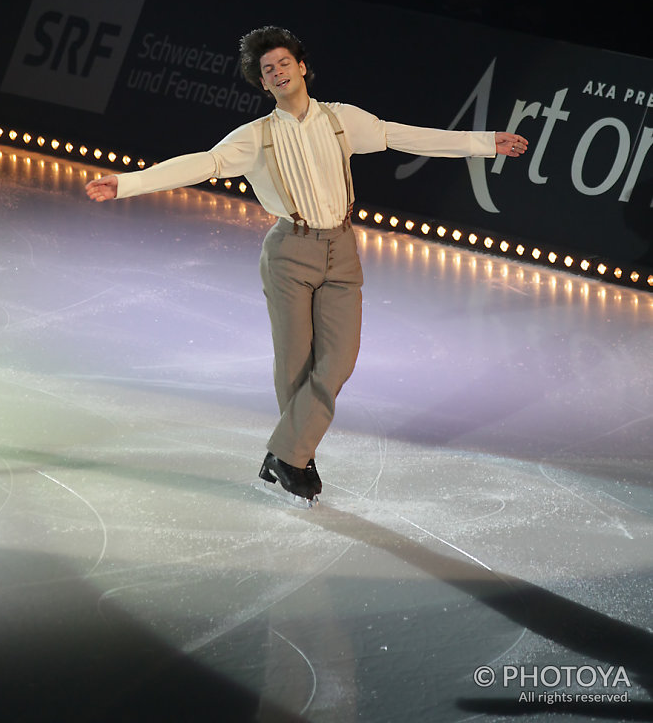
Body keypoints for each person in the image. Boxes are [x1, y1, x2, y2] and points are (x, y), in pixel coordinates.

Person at [86, 26, 528, 504]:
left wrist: (483, 143)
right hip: (289, 252)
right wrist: (126, 183)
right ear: (262, 82)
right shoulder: (255, 138)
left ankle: (285, 452)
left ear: (301, 66)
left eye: (282, 63)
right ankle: (297, 457)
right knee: (295, 366)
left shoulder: (342, 120)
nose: (276, 72)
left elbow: (402, 136)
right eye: (266, 70)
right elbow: (202, 164)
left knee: (339, 359)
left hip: (341, 248)